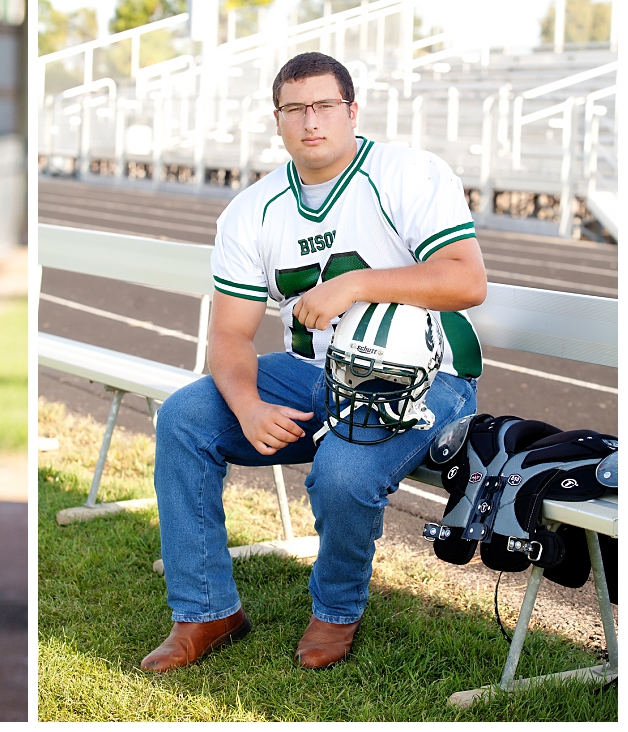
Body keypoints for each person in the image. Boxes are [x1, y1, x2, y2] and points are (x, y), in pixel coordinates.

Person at [141, 52, 487, 672]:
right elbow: (229, 333)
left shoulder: (407, 172)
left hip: (426, 376)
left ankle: (335, 611)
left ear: (351, 110)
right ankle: (205, 610)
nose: (310, 121)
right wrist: (245, 405)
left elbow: (466, 281)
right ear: (277, 120)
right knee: (186, 418)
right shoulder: (254, 208)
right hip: (318, 374)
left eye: (324, 105)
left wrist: (357, 286)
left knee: (343, 474)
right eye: (295, 109)